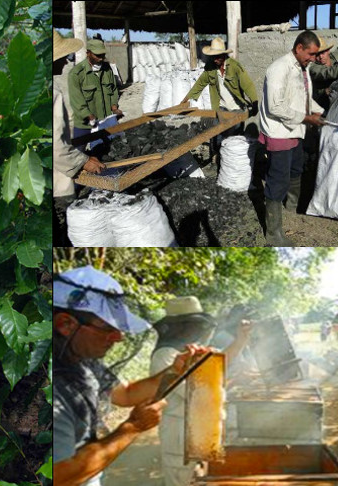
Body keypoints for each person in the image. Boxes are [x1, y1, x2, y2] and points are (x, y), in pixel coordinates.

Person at [53, 267, 207, 486]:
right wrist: (133, 427)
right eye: (108, 328)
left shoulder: (80, 360)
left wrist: (176, 371)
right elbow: (59, 476)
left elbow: (126, 394)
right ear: (65, 324)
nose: (118, 337)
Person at [150, 297, 252, 486]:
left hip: (204, 431)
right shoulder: (165, 356)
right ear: (177, 326)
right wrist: (231, 381)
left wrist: (241, 339)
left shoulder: (196, 349)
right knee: (181, 481)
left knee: (203, 479)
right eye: (190, 324)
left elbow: (220, 361)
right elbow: (194, 392)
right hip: (181, 436)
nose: (195, 329)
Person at [258, 30, 326, 245]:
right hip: (280, 133)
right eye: (311, 54)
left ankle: (291, 209)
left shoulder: (302, 68)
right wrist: (307, 118)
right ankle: (273, 234)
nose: (314, 59)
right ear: (299, 48)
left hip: (296, 131)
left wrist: (321, 112)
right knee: (277, 181)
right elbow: (275, 106)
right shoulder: (279, 68)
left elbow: (302, 99)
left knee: (296, 170)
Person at [53, 31, 105, 246]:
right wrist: (83, 161)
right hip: (58, 168)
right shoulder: (57, 89)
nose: (66, 61)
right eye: (62, 57)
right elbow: (57, 147)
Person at [180, 37, 258, 169]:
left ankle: (232, 165)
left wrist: (254, 102)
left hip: (237, 107)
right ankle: (216, 159)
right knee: (217, 133)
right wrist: (186, 99)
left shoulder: (234, 67)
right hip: (221, 107)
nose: (215, 60)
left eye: (218, 57)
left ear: (224, 55)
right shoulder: (210, 67)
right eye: (213, 57)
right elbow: (201, 83)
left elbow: (248, 85)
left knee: (234, 136)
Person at [68, 39, 122, 152]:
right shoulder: (76, 73)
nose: (101, 58)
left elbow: (113, 90)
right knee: (82, 152)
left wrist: (114, 107)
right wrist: (89, 116)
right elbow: (76, 101)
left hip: (107, 118)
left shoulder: (107, 70)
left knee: (116, 147)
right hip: (87, 123)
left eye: (103, 55)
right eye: (97, 55)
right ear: (88, 53)